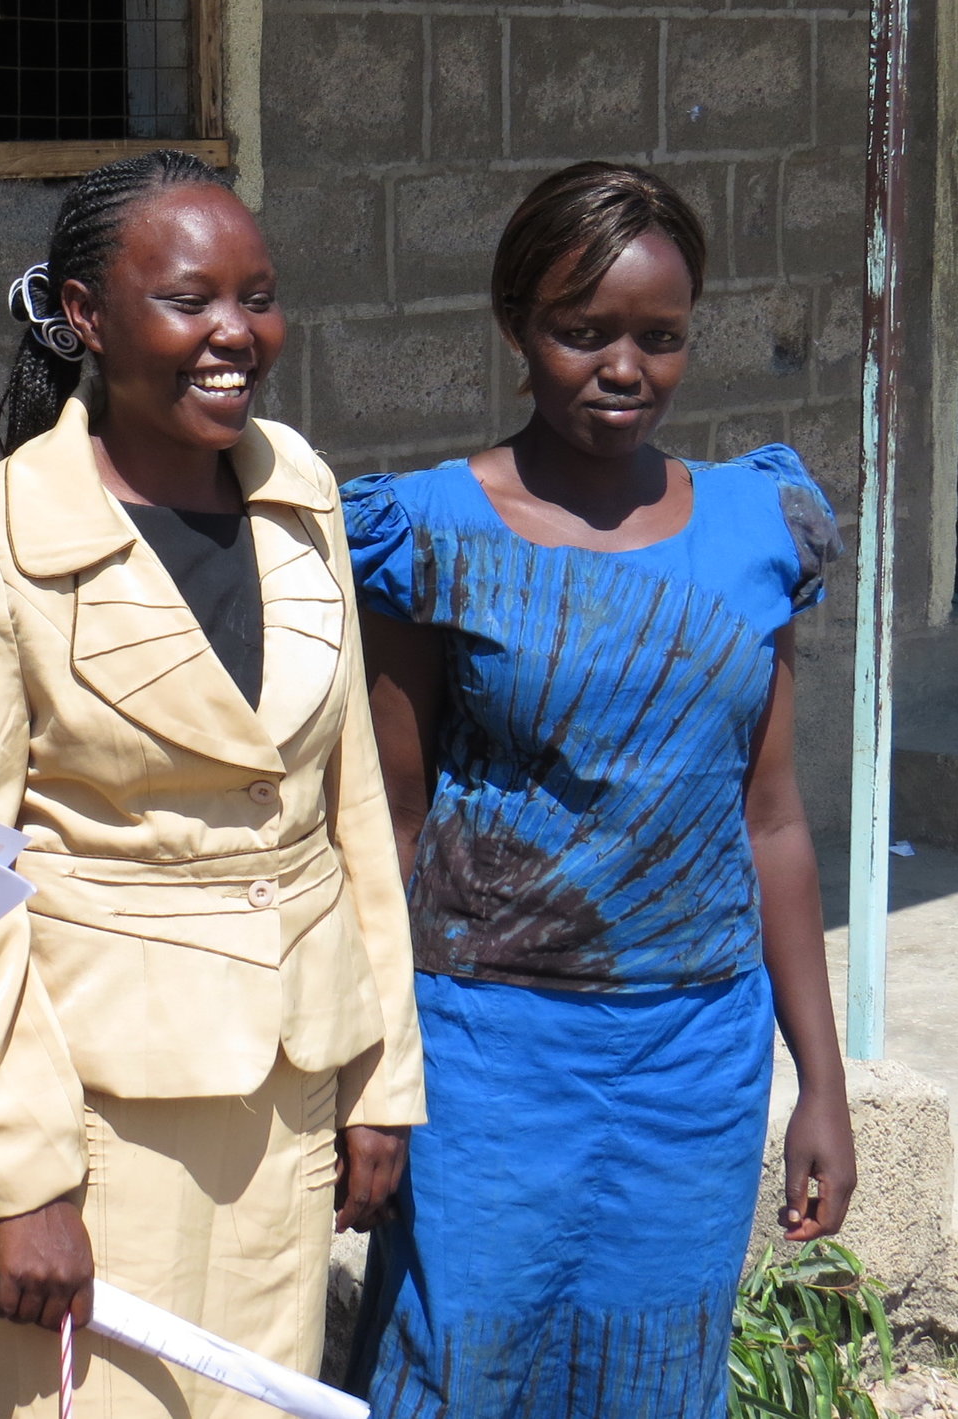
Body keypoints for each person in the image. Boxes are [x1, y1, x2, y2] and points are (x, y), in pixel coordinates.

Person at [0, 150, 424, 1419]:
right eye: (191, 300)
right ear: (85, 317)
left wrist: (379, 1083)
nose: (234, 334)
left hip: (290, 1089)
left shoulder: (302, 499)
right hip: (101, 1118)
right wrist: (23, 1178)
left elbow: (350, 809)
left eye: (259, 296)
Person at [340, 162, 854, 1418]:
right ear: (517, 325)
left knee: (655, 1373)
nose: (623, 368)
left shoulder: (755, 528)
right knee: (461, 1358)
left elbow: (770, 819)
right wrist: (368, 1078)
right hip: (485, 1053)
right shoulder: (431, 536)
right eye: (583, 332)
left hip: (696, 1053)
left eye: (660, 338)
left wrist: (821, 1085)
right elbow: (388, 832)